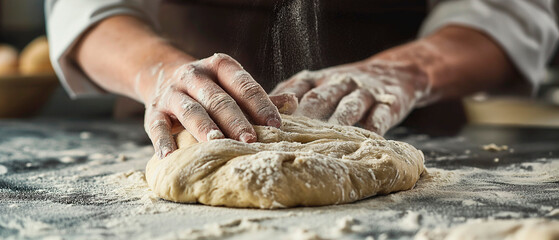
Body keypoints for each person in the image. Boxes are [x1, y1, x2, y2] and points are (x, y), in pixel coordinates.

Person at [45, 0, 558, 159]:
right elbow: (83, 7)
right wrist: (155, 70)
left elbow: (509, 11)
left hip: (409, 132)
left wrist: (409, 71)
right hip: (180, 135)